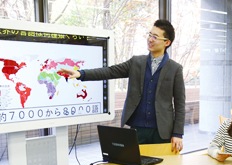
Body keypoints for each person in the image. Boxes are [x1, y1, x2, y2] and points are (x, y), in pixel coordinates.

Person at [60, 19, 185, 153]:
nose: (150, 39)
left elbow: (179, 103)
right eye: (150, 35)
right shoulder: (136, 62)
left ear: (167, 42)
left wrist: (177, 134)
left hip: (162, 131)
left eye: (155, 37)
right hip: (137, 130)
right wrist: (81, 73)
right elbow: (110, 71)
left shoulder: (175, 69)